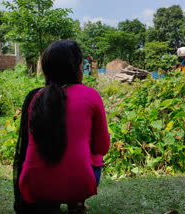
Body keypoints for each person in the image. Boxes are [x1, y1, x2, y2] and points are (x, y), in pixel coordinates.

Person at [13, 40, 110, 214]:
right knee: (94, 154)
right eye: (81, 64)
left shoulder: (36, 97)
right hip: (80, 184)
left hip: (33, 185)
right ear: (76, 68)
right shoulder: (91, 95)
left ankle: (50, 203)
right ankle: (76, 202)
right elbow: (102, 147)